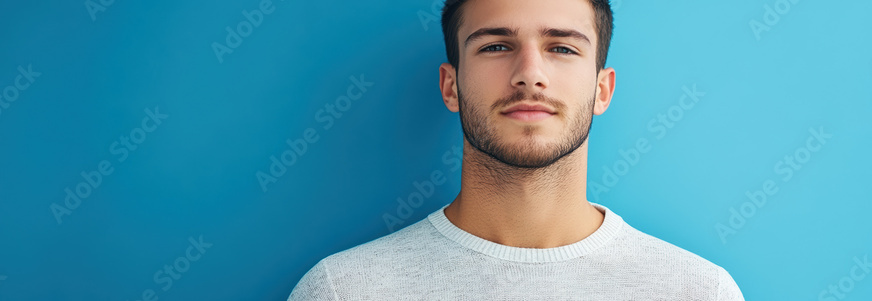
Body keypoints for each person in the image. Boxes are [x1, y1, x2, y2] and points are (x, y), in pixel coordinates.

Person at [289, 0, 744, 299]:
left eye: (562, 48)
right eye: (496, 46)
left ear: (602, 91)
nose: (530, 73)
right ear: (450, 86)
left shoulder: (699, 292)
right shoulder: (344, 291)